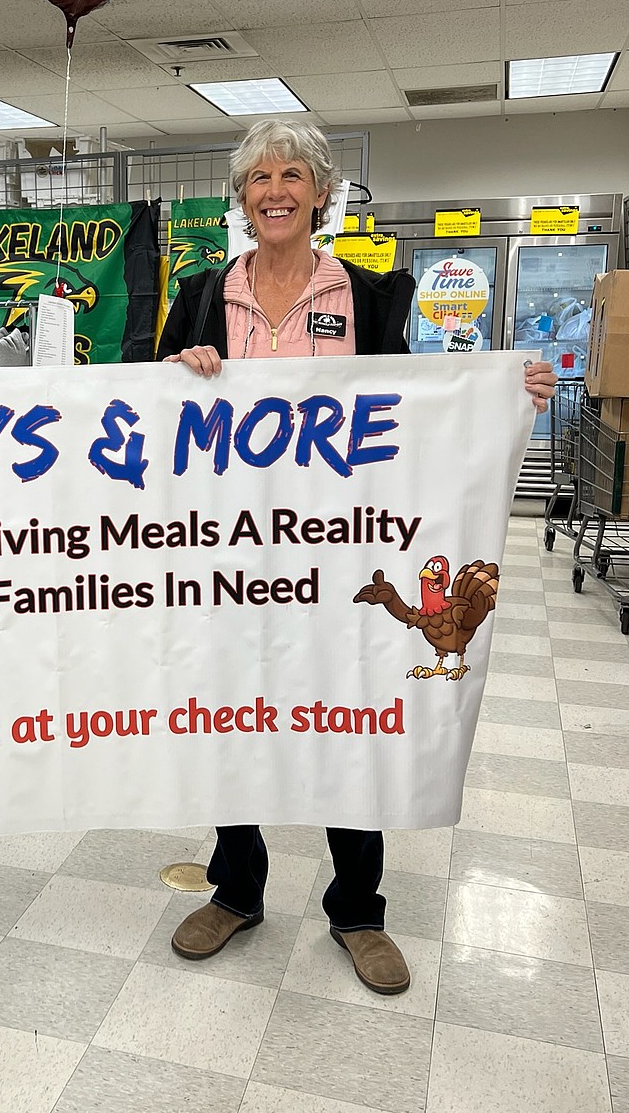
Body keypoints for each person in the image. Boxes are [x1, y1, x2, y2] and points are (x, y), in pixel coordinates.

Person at [157, 120, 555, 994]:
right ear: (242, 196)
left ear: (321, 193)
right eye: (259, 176)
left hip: (342, 558)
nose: (275, 189)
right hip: (228, 558)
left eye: (292, 174)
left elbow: (422, 412)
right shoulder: (198, 297)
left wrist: (504, 395)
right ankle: (236, 888)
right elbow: (148, 417)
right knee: (235, 718)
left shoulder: (369, 299)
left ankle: (358, 909)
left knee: (349, 717)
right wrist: (175, 369)